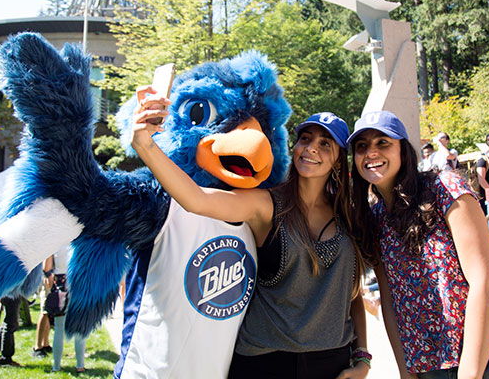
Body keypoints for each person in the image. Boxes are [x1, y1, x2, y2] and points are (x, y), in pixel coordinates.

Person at [132, 94, 370, 379]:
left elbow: (351, 293)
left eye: (325, 144)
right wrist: (145, 146)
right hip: (264, 361)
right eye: (306, 139)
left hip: (331, 362)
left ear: (339, 162)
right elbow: (196, 199)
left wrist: (362, 359)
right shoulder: (266, 204)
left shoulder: (348, 214)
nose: (311, 149)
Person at [349, 111, 489, 378]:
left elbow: (485, 280)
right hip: (429, 365)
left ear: (403, 150)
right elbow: (390, 300)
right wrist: (406, 372)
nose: (370, 152)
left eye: (383, 142)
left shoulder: (444, 187)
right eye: (361, 146)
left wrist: (470, 374)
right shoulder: (375, 218)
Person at [49, 244, 88, 373]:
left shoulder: (56, 240)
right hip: (78, 280)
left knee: (59, 328)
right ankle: (80, 365)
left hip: (60, 281)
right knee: (80, 326)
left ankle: (56, 366)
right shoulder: (79, 239)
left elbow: (47, 267)